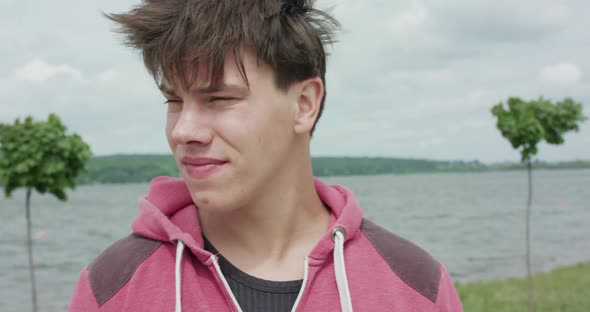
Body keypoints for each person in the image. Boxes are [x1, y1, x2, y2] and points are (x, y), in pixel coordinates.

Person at [68, 0, 463, 311]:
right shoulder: (111, 287)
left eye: (220, 99)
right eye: (174, 100)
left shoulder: (416, 286)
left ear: (304, 104)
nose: (183, 130)